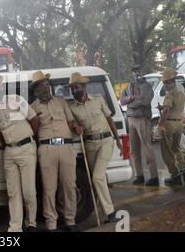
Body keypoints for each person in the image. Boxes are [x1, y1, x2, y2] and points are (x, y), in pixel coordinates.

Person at [0, 73, 38, 232]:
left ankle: (31, 223)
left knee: (28, 190)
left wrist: (28, 139)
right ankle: (15, 227)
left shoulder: (16, 99)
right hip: (9, 151)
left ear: (0, 87)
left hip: (27, 148)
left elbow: (34, 119)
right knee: (13, 192)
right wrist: (8, 143)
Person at [68, 72, 123, 224]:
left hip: (106, 141)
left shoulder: (98, 99)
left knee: (97, 177)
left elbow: (109, 120)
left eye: (77, 87)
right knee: (98, 179)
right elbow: (71, 124)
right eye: (72, 89)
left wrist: (118, 140)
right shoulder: (72, 107)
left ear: (84, 87)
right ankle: (100, 211)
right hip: (89, 144)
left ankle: (110, 213)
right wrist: (75, 126)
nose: (74, 91)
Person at [30, 71, 79, 232]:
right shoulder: (32, 108)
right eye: (41, 85)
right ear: (36, 90)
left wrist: (77, 127)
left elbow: (71, 123)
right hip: (46, 148)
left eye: (46, 84)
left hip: (66, 146)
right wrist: (35, 120)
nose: (45, 87)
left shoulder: (61, 102)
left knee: (69, 185)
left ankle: (70, 221)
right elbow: (32, 132)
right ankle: (52, 224)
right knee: (49, 188)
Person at [120, 65, 159, 186]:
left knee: (147, 147)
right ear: (132, 73)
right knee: (134, 149)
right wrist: (131, 98)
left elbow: (144, 101)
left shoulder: (146, 86)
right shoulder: (129, 85)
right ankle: (139, 175)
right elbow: (122, 100)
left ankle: (154, 177)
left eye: (138, 71)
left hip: (142, 118)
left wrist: (130, 103)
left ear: (142, 72)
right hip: (131, 119)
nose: (136, 73)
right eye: (134, 71)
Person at [157, 67, 185, 186]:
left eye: (165, 82)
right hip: (179, 123)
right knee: (176, 149)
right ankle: (184, 170)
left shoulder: (170, 93)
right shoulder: (181, 88)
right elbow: (172, 107)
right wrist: (163, 108)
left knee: (167, 152)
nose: (164, 84)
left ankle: (175, 176)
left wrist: (160, 125)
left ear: (169, 81)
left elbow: (166, 111)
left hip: (169, 124)